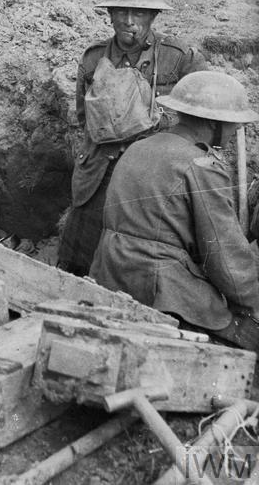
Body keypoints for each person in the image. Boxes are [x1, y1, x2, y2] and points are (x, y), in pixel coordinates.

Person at [89, 71, 259, 351]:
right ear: (211, 122)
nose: (235, 131)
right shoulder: (202, 167)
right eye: (232, 124)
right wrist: (250, 302)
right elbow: (225, 259)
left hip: (110, 278)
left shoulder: (136, 148)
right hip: (163, 293)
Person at [56, 0, 207, 276]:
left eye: (138, 12)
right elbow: (83, 118)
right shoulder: (93, 59)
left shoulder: (178, 59)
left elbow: (202, 116)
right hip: (101, 167)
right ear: (110, 16)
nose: (128, 21)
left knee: (146, 255)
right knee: (79, 254)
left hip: (153, 171)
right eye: (121, 12)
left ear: (152, 16)